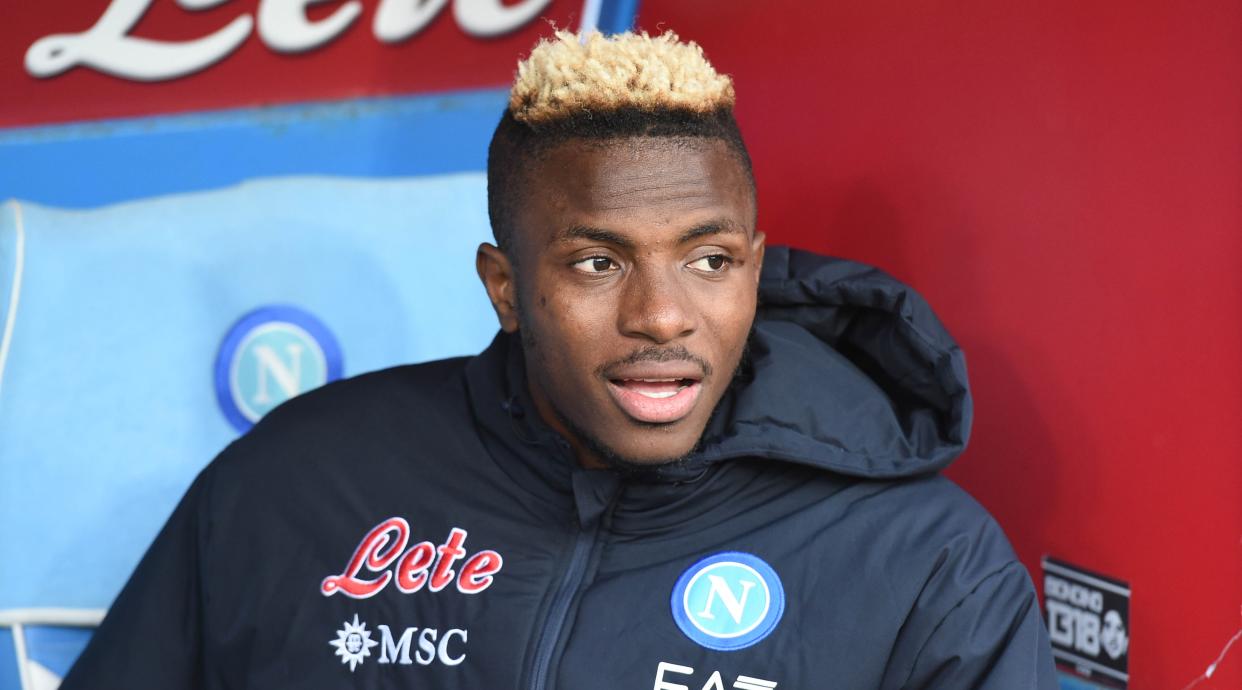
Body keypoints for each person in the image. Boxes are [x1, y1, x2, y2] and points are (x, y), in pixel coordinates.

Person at [63, 30, 1056, 689]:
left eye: (709, 261)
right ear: (504, 287)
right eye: (597, 262)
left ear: (754, 270)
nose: (663, 316)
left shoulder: (926, 564)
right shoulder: (301, 480)